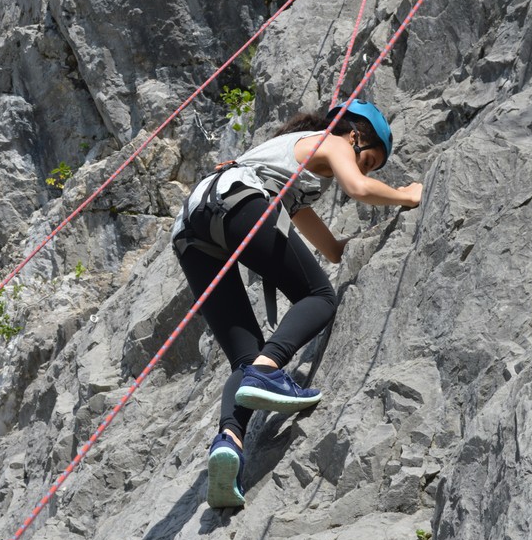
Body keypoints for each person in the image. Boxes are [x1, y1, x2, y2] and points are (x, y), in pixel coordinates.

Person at [171, 99, 422, 508]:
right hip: (238, 200)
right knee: (319, 297)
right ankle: (267, 372)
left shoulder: (291, 171)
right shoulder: (332, 141)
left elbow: (332, 250)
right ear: (355, 135)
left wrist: (356, 245)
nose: (363, 169)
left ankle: (228, 443)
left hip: (193, 228)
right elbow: (358, 189)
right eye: (368, 160)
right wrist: (406, 196)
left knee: (244, 358)